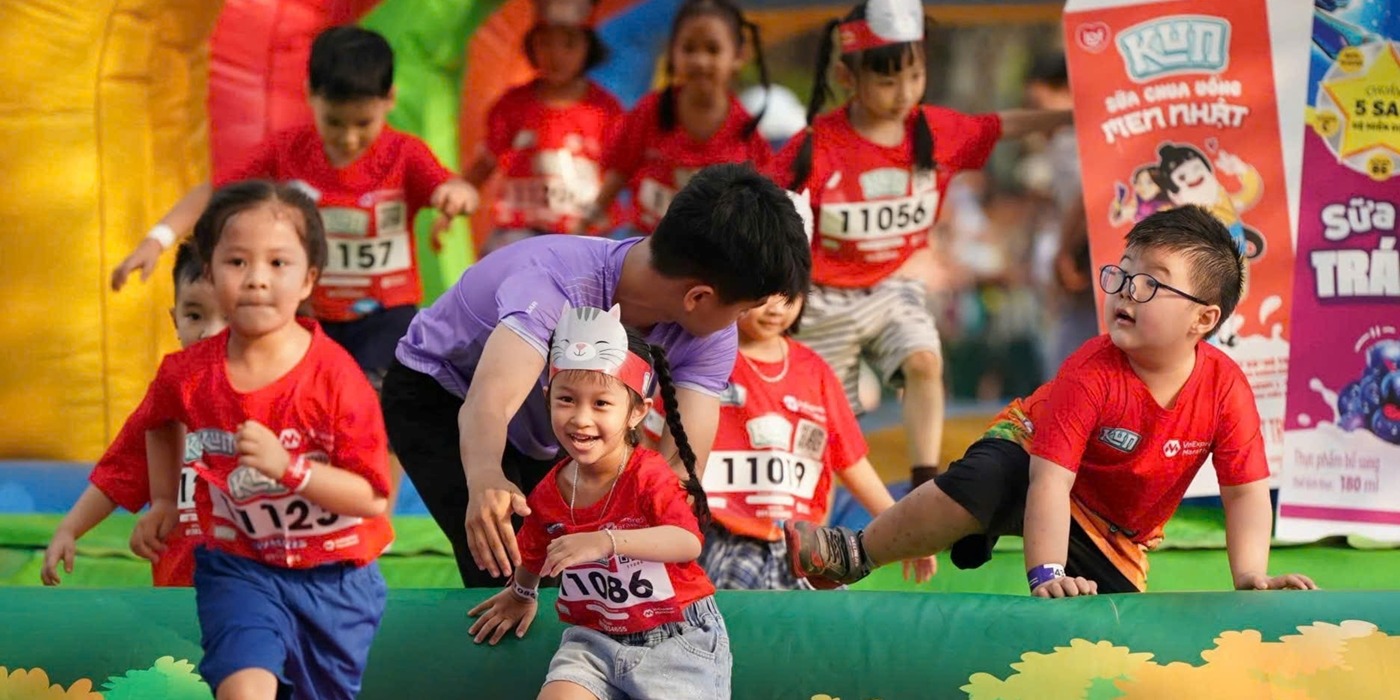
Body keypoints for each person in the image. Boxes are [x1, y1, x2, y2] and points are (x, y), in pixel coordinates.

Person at [785, 206, 1318, 598]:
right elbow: (1050, 482)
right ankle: (854, 552)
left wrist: (1251, 576)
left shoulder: (1226, 389)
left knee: (1110, 631)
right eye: (1124, 274)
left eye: (1151, 284)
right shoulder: (1091, 369)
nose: (1127, 291)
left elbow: (1245, 493)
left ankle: (983, 530)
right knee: (982, 481)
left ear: (1204, 319)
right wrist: (1047, 573)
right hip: (1030, 458)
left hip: (1112, 530)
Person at [383, 163, 810, 588]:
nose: (738, 322)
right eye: (739, 309)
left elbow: (679, 469)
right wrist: (485, 478)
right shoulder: (553, 282)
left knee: (590, 573)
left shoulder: (710, 333)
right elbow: (488, 404)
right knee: (510, 565)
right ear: (699, 296)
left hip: (554, 421)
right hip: (442, 396)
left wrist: (632, 536)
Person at [773, 0, 1073, 489]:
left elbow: (1000, 125)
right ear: (849, 77)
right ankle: (811, 537)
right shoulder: (815, 148)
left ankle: (924, 482)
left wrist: (1065, 117)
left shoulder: (935, 130)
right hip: (821, 296)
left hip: (894, 284)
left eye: (914, 76)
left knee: (925, 361)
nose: (903, 93)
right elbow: (761, 209)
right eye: (888, 81)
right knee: (826, 430)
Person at [129, 181, 394, 698]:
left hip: (335, 578)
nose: (255, 280)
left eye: (278, 264)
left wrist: (288, 468)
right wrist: (164, 497)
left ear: (308, 280)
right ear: (209, 271)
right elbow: (158, 420)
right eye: (236, 263)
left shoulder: (338, 379)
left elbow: (372, 496)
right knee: (244, 686)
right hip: (240, 567)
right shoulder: (186, 373)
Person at [468, 305, 730, 699]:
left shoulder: (648, 475)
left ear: (636, 412)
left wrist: (604, 541)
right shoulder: (551, 490)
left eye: (601, 404)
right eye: (567, 400)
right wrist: (522, 594)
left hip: (676, 638)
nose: (580, 419)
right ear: (547, 397)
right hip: (593, 640)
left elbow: (686, 541)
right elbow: (536, 549)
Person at [647, 293, 936, 588]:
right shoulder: (703, 358)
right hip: (721, 538)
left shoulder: (815, 370)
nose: (775, 308)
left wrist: (904, 529)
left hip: (801, 545)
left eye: (788, 297)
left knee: (829, 620)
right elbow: (651, 447)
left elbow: (851, 462)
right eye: (764, 296)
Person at [41, 242, 226, 586]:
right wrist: (70, 528)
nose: (210, 332)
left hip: (251, 588)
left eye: (229, 317)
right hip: (181, 585)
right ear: (175, 319)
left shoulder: (277, 395)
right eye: (194, 316)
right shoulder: (169, 399)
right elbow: (121, 471)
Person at [581, 0, 772, 235]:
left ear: (738, 55)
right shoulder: (650, 110)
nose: (700, 61)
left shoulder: (746, 132)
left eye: (713, 50)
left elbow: (765, 203)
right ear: (672, 52)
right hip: (645, 242)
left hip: (711, 253)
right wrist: (585, 224)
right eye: (689, 49)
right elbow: (619, 172)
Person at [464, 0, 623, 254]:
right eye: (545, 43)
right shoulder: (512, 105)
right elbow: (485, 163)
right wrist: (457, 194)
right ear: (531, 45)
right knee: (498, 267)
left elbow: (625, 170)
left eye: (569, 43)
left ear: (588, 47)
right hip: (519, 233)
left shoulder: (606, 111)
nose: (556, 55)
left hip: (586, 235)